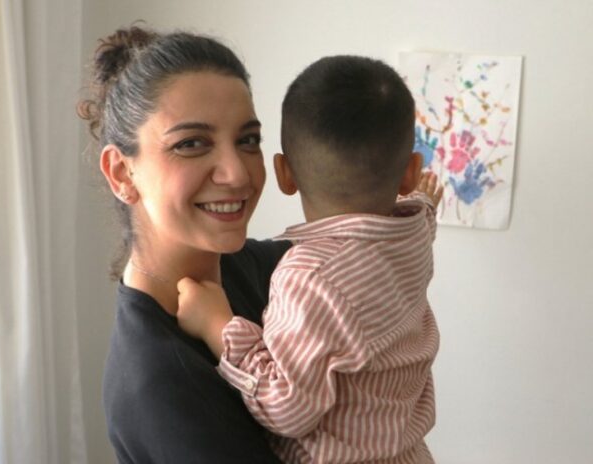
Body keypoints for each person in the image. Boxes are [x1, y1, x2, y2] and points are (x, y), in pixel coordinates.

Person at [176, 55, 443, 463]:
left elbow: (288, 408)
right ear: (410, 172)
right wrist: (422, 196)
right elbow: (422, 211)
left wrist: (218, 327)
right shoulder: (414, 231)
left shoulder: (308, 277)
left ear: (284, 174)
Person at [76, 26, 291, 463]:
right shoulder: (158, 382)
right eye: (191, 144)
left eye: (247, 140)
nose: (237, 173)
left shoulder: (282, 272)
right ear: (121, 173)